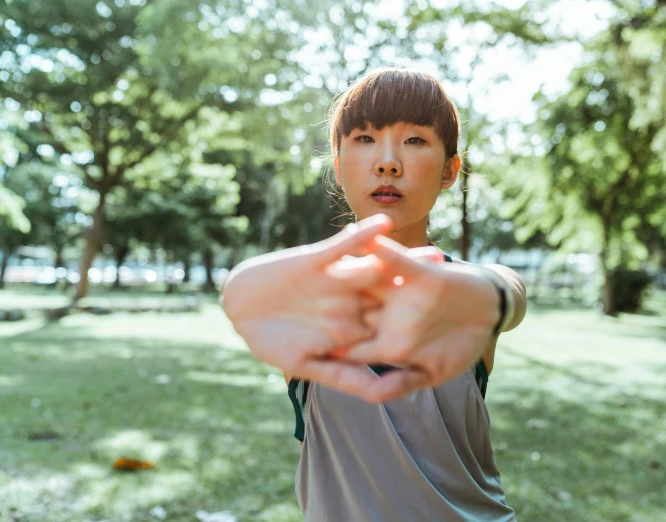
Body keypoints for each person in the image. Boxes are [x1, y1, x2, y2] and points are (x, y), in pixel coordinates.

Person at [221, 67, 527, 521]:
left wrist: (494, 298)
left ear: (449, 170)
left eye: (415, 140)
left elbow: (507, 290)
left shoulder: (467, 290)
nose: (388, 162)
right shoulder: (306, 300)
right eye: (365, 138)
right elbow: (251, 292)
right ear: (339, 163)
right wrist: (237, 290)